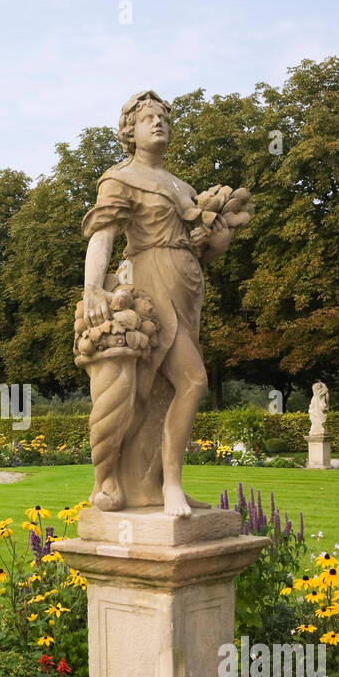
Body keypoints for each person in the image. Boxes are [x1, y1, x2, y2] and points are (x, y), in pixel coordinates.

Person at [81, 90, 253, 515]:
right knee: (190, 381)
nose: (158, 123)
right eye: (147, 119)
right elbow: (102, 235)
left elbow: (205, 251)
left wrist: (212, 240)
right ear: (130, 132)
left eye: (163, 118)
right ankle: (165, 485)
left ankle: (152, 486)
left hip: (186, 285)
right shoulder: (120, 178)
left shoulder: (182, 186)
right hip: (150, 280)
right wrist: (92, 290)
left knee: (158, 391)